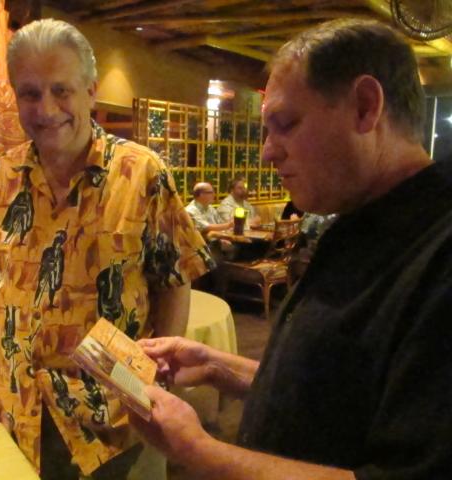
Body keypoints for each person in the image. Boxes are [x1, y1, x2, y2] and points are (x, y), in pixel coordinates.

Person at [130, 18, 452, 479]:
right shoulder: (357, 219)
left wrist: (198, 450)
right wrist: (216, 365)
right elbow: (333, 394)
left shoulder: (438, 254)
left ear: (365, 108)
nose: (267, 152)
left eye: (285, 124)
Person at [0, 18, 212, 480]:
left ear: (90, 91)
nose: (46, 109)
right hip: (17, 413)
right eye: (30, 93)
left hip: (117, 423)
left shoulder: (143, 174)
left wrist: (153, 385)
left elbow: (174, 280)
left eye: (61, 90)